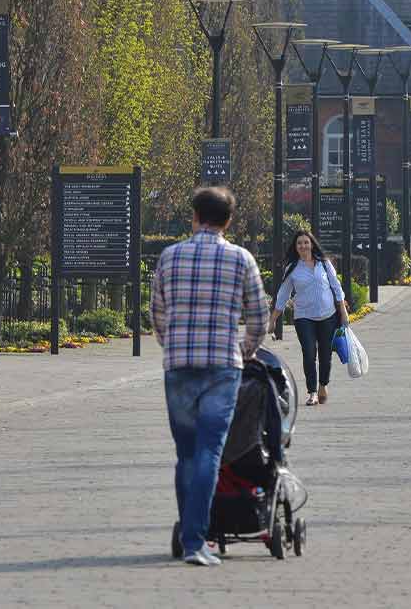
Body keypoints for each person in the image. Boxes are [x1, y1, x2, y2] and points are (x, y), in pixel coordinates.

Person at [151, 187, 268, 567]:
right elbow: (259, 316)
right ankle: (195, 541)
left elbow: (157, 311)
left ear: (195, 216)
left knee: (185, 454)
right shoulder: (241, 259)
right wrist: (245, 351)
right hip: (221, 366)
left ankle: (191, 536)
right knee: (209, 452)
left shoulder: (170, 257)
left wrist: (173, 345)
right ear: (228, 220)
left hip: (180, 366)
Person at [272, 230, 347, 407]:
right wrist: (273, 319)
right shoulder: (292, 268)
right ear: (295, 247)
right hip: (304, 316)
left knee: (325, 354)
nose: (303, 246)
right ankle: (312, 392)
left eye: (306, 242)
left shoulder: (324, 264)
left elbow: (336, 288)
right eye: (299, 243)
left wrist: (343, 312)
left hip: (328, 315)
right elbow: (283, 295)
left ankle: (323, 385)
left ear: (312, 244)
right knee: (309, 353)